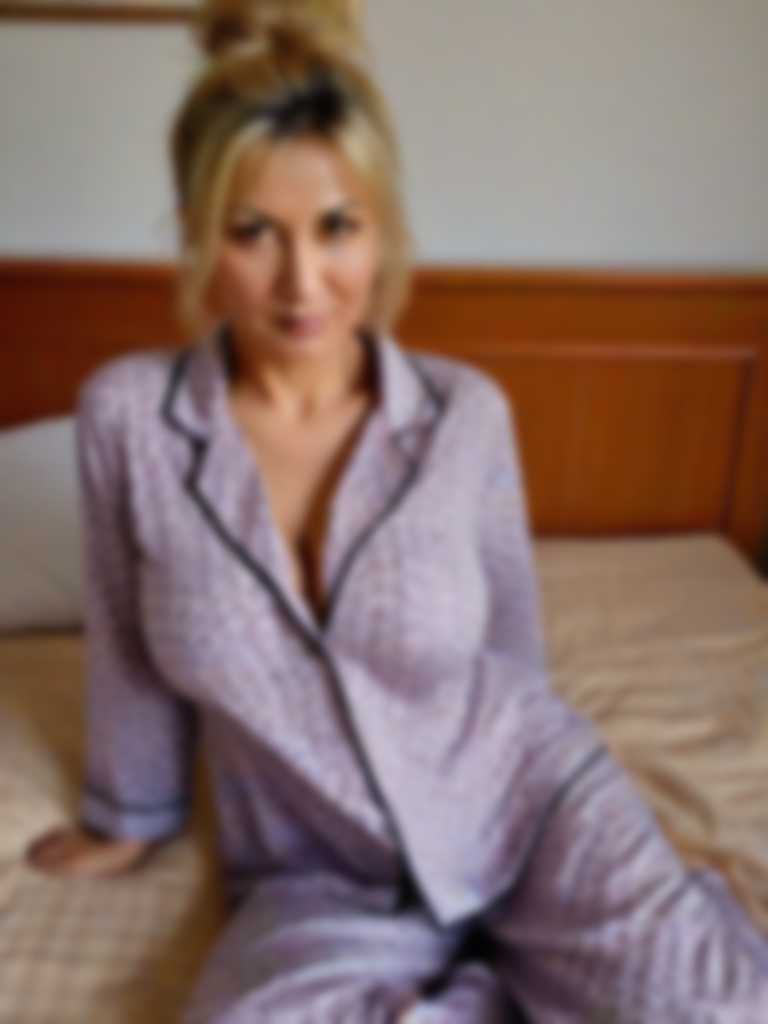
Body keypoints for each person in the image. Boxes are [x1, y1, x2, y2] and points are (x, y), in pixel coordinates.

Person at [25, 1, 768, 1020]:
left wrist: (612, 872)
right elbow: (125, 647)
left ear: (382, 228)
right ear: (198, 235)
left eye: (337, 227)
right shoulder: (130, 420)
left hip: (525, 806)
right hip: (310, 872)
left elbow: (512, 650)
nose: (302, 283)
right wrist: (128, 818)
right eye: (254, 233)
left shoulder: (464, 415)